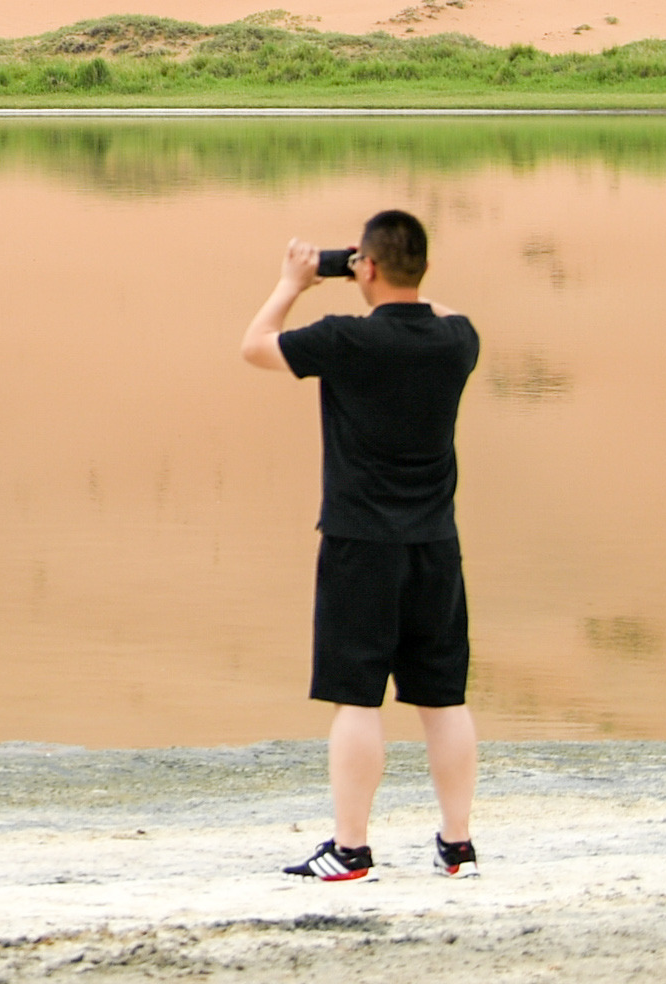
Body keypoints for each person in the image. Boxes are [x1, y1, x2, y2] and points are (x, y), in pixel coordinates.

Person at [239, 208, 480, 883]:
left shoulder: (346, 339)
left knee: (358, 699)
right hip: (436, 544)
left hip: (359, 542)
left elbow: (256, 344)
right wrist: (390, 277)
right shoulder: (458, 339)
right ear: (423, 270)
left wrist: (296, 281)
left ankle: (350, 849)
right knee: (443, 698)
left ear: (365, 267)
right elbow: (437, 309)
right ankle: (457, 844)